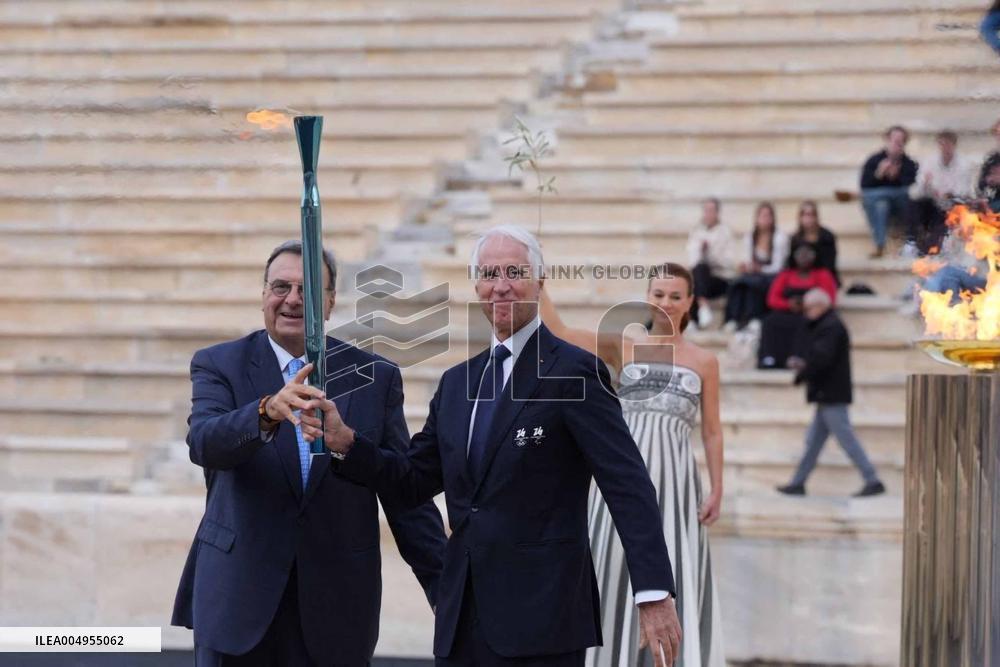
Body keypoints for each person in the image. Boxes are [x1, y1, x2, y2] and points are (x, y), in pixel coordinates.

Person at [318, 226, 683, 667]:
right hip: (464, 615)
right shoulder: (457, 383)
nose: (501, 284)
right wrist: (348, 444)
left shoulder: (575, 372)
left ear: (540, 282)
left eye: (515, 271)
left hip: (542, 617)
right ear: (476, 285)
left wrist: (654, 591)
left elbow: (626, 483)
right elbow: (413, 480)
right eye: (490, 273)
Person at [172, 240, 447, 666]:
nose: (293, 300)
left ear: (331, 302)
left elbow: (402, 491)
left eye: (308, 291)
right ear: (264, 294)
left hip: (336, 611)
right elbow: (205, 443)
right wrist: (265, 412)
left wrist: (446, 589)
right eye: (281, 287)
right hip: (238, 603)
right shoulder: (219, 364)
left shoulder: (376, 378)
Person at [540, 263, 726, 667]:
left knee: (673, 567)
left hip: (677, 486)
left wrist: (717, 487)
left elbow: (712, 431)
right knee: (609, 569)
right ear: (648, 297)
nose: (666, 303)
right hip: (620, 479)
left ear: (690, 302)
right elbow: (561, 334)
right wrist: (538, 283)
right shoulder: (624, 346)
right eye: (659, 294)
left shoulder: (705, 361)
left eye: (676, 296)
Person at [777, 289, 886, 498]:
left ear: (821, 306)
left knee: (846, 439)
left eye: (809, 308)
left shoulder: (831, 327)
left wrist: (802, 371)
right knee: (813, 442)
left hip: (831, 394)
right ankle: (798, 483)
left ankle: (872, 480)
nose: (806, 313)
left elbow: (821, 358)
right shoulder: (826, 325)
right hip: (825, 394)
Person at [758, 244, 838, 370]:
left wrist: (807, 306)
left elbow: (829, 300)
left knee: (806, 323)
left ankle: (799, 358)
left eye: (807, 254)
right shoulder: (786, 275)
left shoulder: (823, 274)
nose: (803, 258)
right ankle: (770, 358)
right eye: (800, 254)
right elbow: (772, 299)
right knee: (769, 321)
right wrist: (788, 304)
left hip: (812, 313)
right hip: (788, 311)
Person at [723, 201, 789, 332]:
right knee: (738, 283)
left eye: (768, 216)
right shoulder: (750, 236)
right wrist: (746, 266)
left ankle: (755, 318)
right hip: (754, 273)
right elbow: (747, 259)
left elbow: (778, 266)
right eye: (762, 216)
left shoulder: (779, 237)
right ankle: (733, 318)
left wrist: (760, 269)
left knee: (755, 284)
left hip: (772, 274)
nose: (765, 219)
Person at [908, 130, 976, 254]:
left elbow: (963, 191)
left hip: (953, 204)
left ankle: (937, 246)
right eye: (942, 144)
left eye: (948, 144)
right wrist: (926, 184)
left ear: (954, 145)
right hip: (933, 201)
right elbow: (917, 190)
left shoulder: (964, 164)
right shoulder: (929, 162)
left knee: (950, 209)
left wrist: (946, 194)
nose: (945, 148)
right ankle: (912, 243)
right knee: (915, 205)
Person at [860, 126, 919, 258]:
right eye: (894, 140)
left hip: (902, 203)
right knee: (881, 204)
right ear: (887, 140)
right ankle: (880, 245)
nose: (896, 145)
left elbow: (912, 188)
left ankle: (912, 242)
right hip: (883, 205)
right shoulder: (874, 160)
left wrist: (896, 176)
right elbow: (865, 184)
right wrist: (879, 174)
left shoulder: (909, 163)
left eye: (900, 142)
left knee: (901, 194)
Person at [686, 197, 736, 329]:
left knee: (697, 275)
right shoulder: (696, 231)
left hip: (720, 279)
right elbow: (692, 260)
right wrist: (701, 251)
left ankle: (694, 318)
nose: (708, 213)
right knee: (698, 271)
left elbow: (728, 262)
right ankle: (703, 307)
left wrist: (710, 254)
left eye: (711, 210)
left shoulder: (726, 232)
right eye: (706, 210)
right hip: (702, 277)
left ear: (717, 212)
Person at [789, 200, 840, 287]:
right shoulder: (795, 239)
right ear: (800, 217)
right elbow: (791, 266)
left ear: (816, 217)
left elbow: (829, 266)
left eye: (811, 214)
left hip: (823, 279)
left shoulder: (827, 237)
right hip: (801, 280)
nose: (808, 218)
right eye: (805, 214)